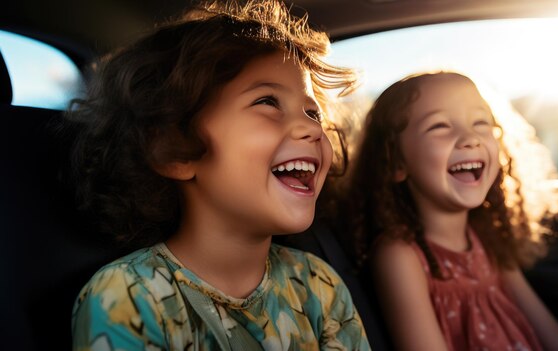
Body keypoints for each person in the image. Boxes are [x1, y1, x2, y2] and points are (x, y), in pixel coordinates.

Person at [67, 1, 371, 350]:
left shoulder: (319, 285)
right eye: (267, 102)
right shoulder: (130, 295)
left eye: (312, 113)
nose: (311, 128)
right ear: (174, 151)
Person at [341, 71, 558, 350]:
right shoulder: (400, 256)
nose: (470, 138)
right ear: (394, 161)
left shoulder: (488, 239)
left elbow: (557, 339)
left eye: (480, 123)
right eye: (439, 126)